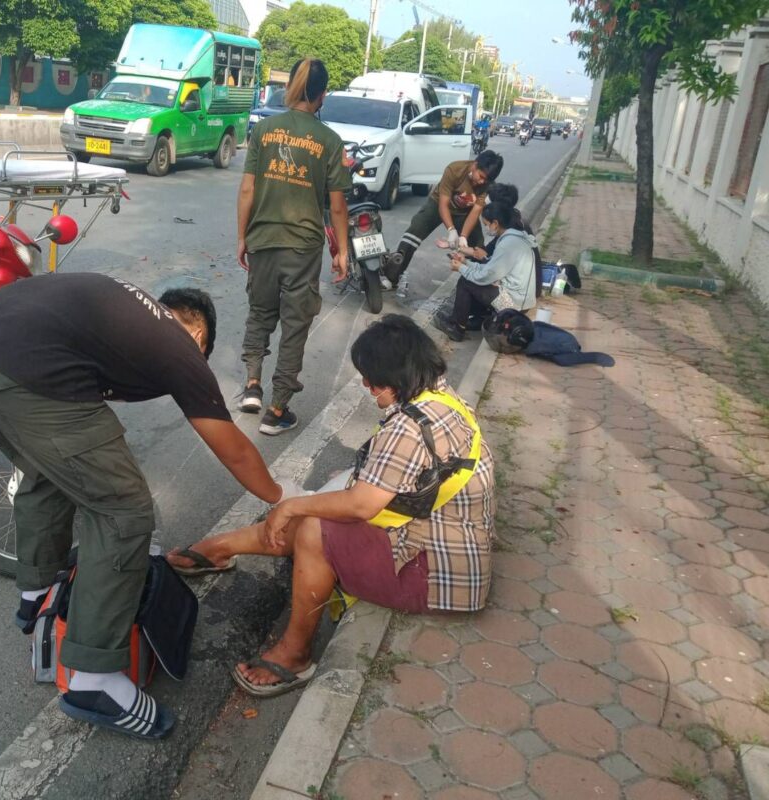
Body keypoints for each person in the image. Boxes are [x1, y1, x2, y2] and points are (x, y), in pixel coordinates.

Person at [0, 272, 300, 740]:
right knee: (123, 510)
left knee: (45, 472)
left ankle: (37, 598)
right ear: (199, 333)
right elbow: (231, 446)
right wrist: (282, 496)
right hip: (29, 370)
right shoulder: (179, 344)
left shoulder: (132, 316)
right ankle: (93, 679)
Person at [168, 315, 495, 696]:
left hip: (436, 577)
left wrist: (291, 508)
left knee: (313, 527)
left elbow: (360, 505)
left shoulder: (408, 427)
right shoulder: (441, 399)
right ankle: (219, 548)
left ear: (395, 376)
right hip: (447, 549)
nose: (367, 386)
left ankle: (295, 655)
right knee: (317, 509)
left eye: (371, 379)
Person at [236, 57, 351, 435]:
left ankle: (252, 386)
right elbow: (337, 205)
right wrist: (342, 251)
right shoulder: (329, 141)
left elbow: (248, 189)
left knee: (259, 313)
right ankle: (277, 409)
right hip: (302, 247)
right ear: (322, 95)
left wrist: (242, 237)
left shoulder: (264, 129)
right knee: (295, 325)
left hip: (262, 240)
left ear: (290, 88)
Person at [382, 151, 504, 289]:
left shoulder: (487, 185)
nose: (482, 182)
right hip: (438, 204)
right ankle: (392, 277)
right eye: (481, 176)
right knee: (414, 232)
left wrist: (463, 236)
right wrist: (451, 230)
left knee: (477, 245)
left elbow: (475, 212)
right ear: (475, 165)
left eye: (486, 180)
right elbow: (443, 204)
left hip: (465, 212)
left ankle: (478, 284)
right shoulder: (455, 169)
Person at [433, 199, 538, 342]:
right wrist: (466, 262)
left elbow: (485, 276)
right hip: (521, 300)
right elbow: (490, 267)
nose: (487, 228)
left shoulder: (507, 244)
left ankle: (457, 328)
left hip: (514, 305)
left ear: (495, 223)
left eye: (486, 225)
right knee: (475, 279)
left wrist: (461, 268)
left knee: (466, 282)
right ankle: (476, 319)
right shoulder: (515, 238)